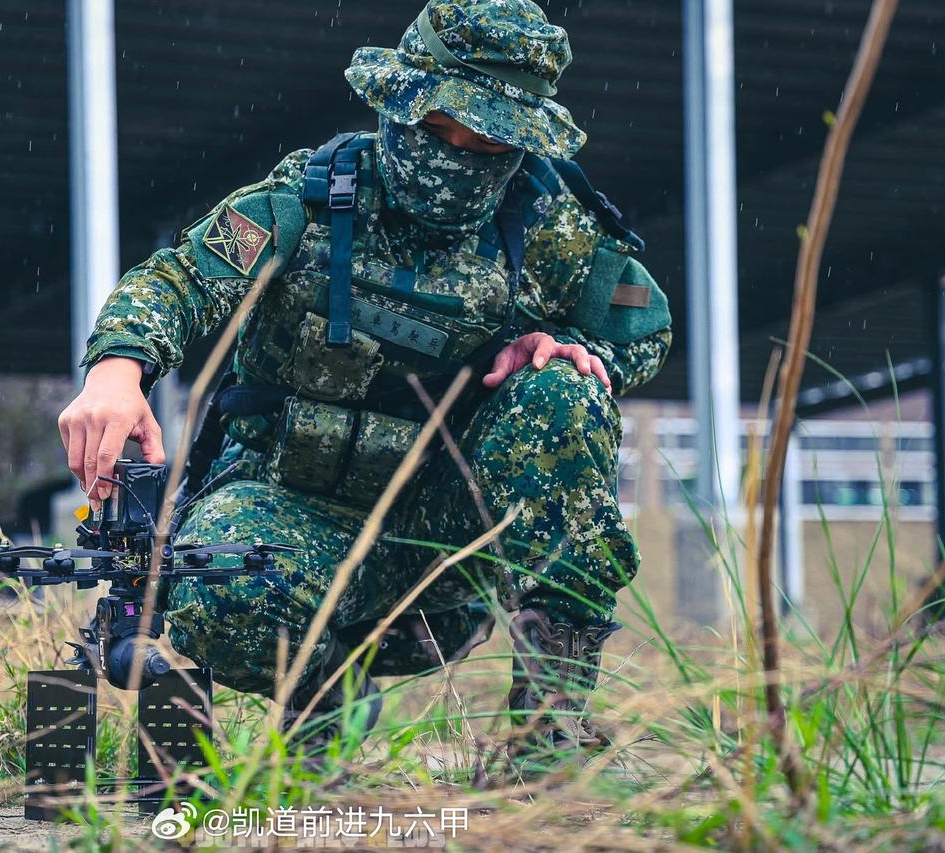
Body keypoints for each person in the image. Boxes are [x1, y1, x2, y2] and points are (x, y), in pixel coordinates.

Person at [58, 0, 672, 768]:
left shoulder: (551, 226)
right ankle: (327, 699)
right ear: (398, 104)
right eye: (438, 127)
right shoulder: (311, 197)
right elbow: (181, 278)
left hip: (441, 548)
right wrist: (118, 369)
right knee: (214, 591)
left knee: (568, 392)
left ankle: (546, 739)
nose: (458, 155)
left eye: (488, 141)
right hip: (288, 508)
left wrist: (575, 347)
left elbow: (644, 324)